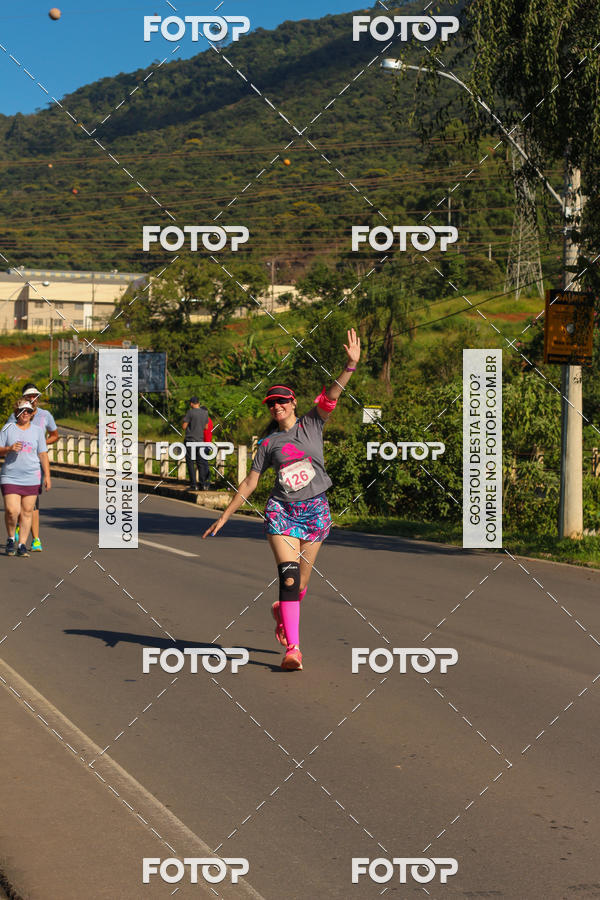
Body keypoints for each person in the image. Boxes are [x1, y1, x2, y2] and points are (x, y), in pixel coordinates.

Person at [202, 328, 361, 671]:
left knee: (301, 583)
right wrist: (225, 515)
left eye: (281, 401)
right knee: (288, 577)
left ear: (293, 404)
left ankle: (282, 610)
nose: (275, 406)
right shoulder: (267, 444)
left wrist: (350, 365)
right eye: (271, 403)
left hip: (316, 509)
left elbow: (332, 395)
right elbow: (250, 481)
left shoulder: (312, 424)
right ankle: (294, 649)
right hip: (282, 512)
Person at [6, 383, 58, 551]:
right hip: (15, 466)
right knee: (15, 507)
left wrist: (40, 444)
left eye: (35, 396)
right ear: (23, 399)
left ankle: (35, 539)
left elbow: (54, 435)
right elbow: (7, 436)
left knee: (32, 505)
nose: (33, 399)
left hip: (35, 465)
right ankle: (17, 530)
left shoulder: (45, 415)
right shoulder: (15, 418)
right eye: (29, 396)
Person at [0, 399, 51, 557]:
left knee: (27, 511)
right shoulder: (8, 428)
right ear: (17, 412)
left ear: (32, 414)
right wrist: (9, 448)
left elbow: (42, 453)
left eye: (29, 411)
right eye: (23, 411)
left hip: (32, 476)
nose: (26, 414)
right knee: (12, 510)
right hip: (10, 475)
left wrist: (47, 475)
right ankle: (10, 538)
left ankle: (22, 544)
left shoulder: (37, 431)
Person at [182, 397, 213, 491]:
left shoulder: (190, 412)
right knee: (201, 463)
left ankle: (193, 485)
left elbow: (184, 427)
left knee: (190, 463)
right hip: (200, 441)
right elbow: (206, 427)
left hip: (190, 440)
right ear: (199, 403)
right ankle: (203, 484)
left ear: (191, 404)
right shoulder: (205, 413)